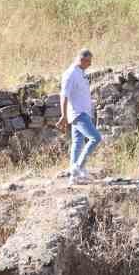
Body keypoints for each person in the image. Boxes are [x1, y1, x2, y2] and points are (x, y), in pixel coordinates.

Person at [60, 48, 102, 182]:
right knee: (95, 138)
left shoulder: (80, 73)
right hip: (78, 113)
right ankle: (78, 167)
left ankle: (74, 177)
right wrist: (63, 115)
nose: (90, 64)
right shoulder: (71, 73)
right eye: (88, 61)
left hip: (83, 113)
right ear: (82, 60)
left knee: (78, 143)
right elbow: (64, 95)